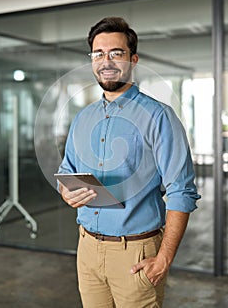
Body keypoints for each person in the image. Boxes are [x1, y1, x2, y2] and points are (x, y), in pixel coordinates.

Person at [57, 16, 201, 308]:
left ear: (133, 60)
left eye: (116, 53)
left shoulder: (159, 117)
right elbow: (66, 172)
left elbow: (181, 192)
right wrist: (67, 192)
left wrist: (164, 258)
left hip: (134, 253)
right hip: (86, 249)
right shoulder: (83, 118)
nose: (106, 61)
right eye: (98, 54)